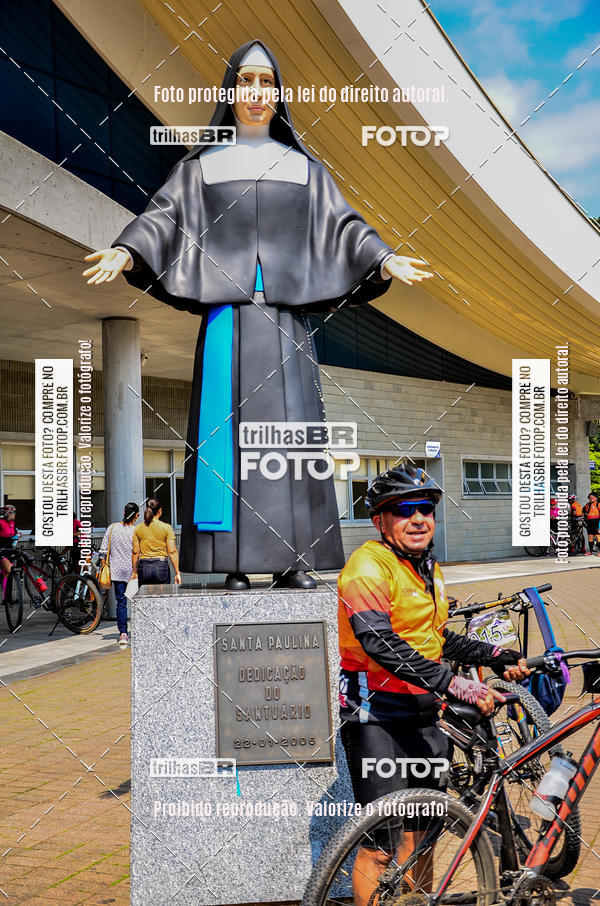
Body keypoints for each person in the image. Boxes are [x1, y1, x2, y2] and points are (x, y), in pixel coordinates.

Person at [83, 40, 432, 592]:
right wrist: (128, 250)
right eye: (245, 80)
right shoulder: (201, 167)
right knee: (227, 438)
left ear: (278, 93)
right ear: (230, 90)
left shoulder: (305, 169)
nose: (256, 91)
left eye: (266, 81)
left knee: (292, 441)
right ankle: (235, 562)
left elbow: (344, 226)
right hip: (227, 322)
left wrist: (382, 258)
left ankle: (295, 558)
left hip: (287, 324)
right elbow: (162, 217)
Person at [337, 462, 530, 905]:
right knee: (381, 844)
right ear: (379, 520)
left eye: (425, 509)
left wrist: (494, 655)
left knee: (423, 836)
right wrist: (455, 684)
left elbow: (433, 637)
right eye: (404, 510)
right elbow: (380, 642)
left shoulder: (426, 567)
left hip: (425, 717)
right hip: (377, 718)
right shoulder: (367, 567)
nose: (419, 519)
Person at [99, 502, 140, 648]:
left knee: (121, 603)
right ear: (136, 516)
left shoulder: (112, 528)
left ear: (123, 512)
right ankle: (140, 630)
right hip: (133, 572)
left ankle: (123, 633)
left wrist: (104, 567)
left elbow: (103, 551)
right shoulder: (137, 531)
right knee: (137, 602)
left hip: (117, 572)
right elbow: (139, 552)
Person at [132, 498, 181, 588]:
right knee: (162, 595)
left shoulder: (138, 528)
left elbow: (135, 552)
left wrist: (134, 572)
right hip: (161, 566)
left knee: (144, 596)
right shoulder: (166, 527)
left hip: (143, 567)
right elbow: (172, 551)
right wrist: (177, 572)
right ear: (160, 511)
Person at [0, 505, 19, 579]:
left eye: (14, 513)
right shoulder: (0, 522)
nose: (12, 514)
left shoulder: (12, 523)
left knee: (9, 574)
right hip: (1, 549)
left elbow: (15, 534)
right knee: (8, 569)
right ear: (5, 513)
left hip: (10, 549)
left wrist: (17, 535)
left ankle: (6, 586)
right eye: (10, 512)